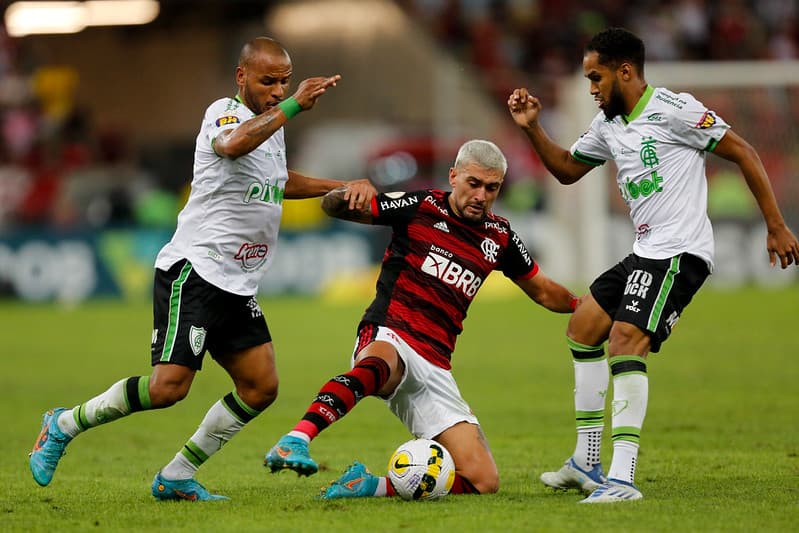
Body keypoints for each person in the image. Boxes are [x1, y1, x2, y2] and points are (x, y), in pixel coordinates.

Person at [28, 36, 376, 501]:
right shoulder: (223, 113)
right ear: (241, 76)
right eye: (267, 81)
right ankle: (62, 425)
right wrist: (292, 105)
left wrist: (342, 184)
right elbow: (233, 146)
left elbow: (277, 180)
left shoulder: (273, 126)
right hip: (195, 271)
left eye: (284, 82)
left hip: (237, 282)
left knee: (259, 386)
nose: (276, 90)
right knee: (168, 388)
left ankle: (175, 477)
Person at [507, 27, 799, 503]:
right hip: (646, 250)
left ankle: (621, 480)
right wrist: (532, 127)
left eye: (596, 77)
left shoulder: (674, 110)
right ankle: (587, 460)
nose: (592, 88)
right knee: (583, 327)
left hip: (680, 252)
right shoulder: (608, 124)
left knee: (625, 340)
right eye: (587, 79)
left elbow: (743, 150)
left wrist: (775, 225)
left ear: (626, 71)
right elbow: (565, 170)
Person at [264, 139, 579, 499]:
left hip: (436, 364)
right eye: (473, 183)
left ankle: (368, 486)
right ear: (454, 176)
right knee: (381, 366)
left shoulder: (500, 236)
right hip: (391, 330)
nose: (481, 195)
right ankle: (296, 439)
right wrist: (347, 189)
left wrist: (581, 305)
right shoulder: (421, 205)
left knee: (483, 480)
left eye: (491, 188)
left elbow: (543, 290)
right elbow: (334, 207)